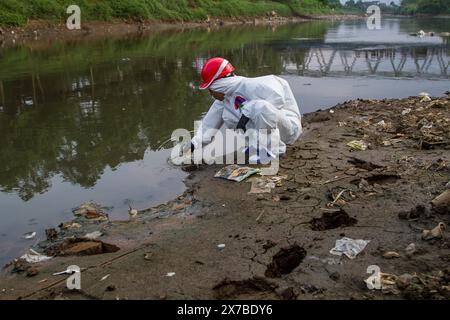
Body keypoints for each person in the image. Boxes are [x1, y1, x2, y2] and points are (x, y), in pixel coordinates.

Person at [191, 57, 302, 160]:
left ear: (220, 85)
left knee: (260, 108)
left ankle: (273, 150)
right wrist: (193, 144)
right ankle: (256, 145)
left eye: (211, 90)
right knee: (229, 115)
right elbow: (208, 125)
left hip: (289, 128)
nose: (211, 94)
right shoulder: (223, 101)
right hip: (272, 126)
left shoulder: (252, 85)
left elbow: (278, 99)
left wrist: (248, 111)